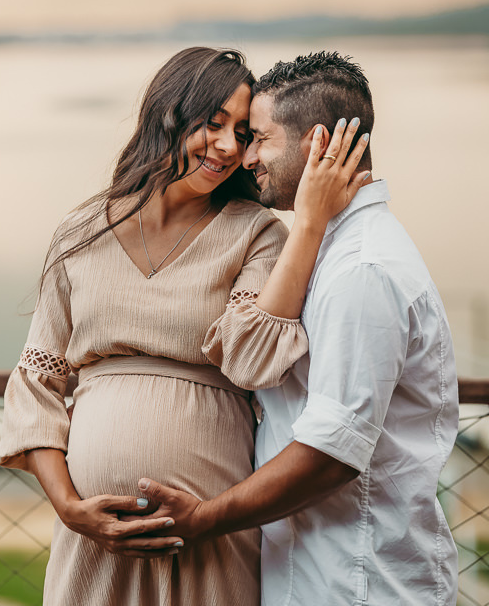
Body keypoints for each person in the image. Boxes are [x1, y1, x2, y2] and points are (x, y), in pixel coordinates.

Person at [0, 46, 369, 606]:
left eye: (242, 133)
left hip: (208, 530)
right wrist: (70, 509)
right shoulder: (80, 232)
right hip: (92, 540)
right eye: (213, 123)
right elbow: (36, 386)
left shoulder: (258, 233)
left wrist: (310, 223)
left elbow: (253, 357)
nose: (229, 147)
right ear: (168, 114)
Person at [136, 51, 459, 606]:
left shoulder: (363, 269)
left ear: (316, 144)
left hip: (360, 582)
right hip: (315, 574)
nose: (246, 157)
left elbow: (331, 452)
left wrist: (204, 518)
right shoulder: (327, 249)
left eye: (259, 139)